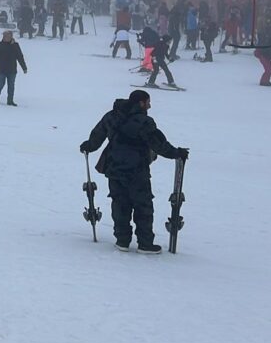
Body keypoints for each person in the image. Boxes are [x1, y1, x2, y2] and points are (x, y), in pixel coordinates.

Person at [80, 90, 189, 253]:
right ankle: (145, 243)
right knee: (143, 206)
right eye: (148, 102)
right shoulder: (144, 122)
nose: (149, 106)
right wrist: (177, 153)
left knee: (120, 204)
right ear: (141, 103)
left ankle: (122, 240)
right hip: (137, 170)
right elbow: (158, 144)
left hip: (114, 168)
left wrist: (88, 146)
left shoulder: (112, 116)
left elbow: (98, 135)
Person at [0, 30, 28, 106]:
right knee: (1, 84)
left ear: (11, 37)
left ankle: (10, 100)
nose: (5, 37)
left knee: (11, 86)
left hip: (12, 69)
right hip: (1, 69)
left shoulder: (15, 45)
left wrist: (24, 67)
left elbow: (20, 57)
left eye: (7, 36)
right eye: (4, 36)